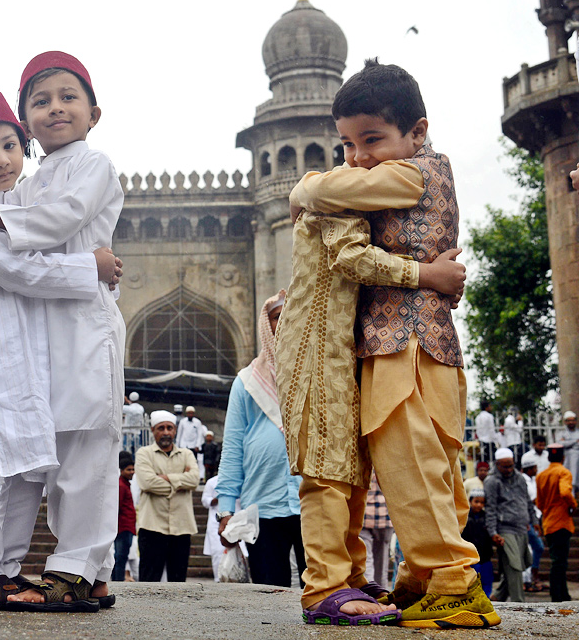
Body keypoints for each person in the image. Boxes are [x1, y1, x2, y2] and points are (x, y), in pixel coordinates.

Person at [288, 59, 496, 628]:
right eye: (347, 144)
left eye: (371, 140)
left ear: (417, 131)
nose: (357, 157)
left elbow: (331, 192)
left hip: (398, 343)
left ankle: (451, 581)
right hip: (431, 342)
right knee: (437, 468)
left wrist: (305, 184)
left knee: (411, 465)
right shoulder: (425, 174)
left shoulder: (407, 175)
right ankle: (422, 581)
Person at [0, 51, 125, 609]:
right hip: (43, 337)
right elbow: (14, 256)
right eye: (40, 101)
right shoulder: (25, 184)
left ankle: (74, 568)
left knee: (89, 448)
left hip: (84, 327)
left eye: (69, 97)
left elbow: (60, 219)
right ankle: (82, 571)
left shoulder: (93, 166)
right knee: (60, 455)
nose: (55, 108)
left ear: (95, 112)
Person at [217, 293, 304, 588]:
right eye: (278, 316)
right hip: (263, 505)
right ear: (266, 324)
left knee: (322, 590)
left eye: (291, 314)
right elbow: (232, 448)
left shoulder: (318, 372)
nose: (285, 322)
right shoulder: (246, 382)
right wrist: (227, 509)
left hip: (314, 499)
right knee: (270, 594)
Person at [135, 410, 199, 582]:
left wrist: (166, 478)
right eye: (161, 428)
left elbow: (194, 480)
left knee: (178, 582)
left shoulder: (187, 454)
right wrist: (180, 483)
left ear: (175, 430)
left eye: (169, 428)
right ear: (153, 430)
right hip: (152, 527)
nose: (165, 432)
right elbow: (147, 483)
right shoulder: (144, 453)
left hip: (182, 527)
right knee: (149, 582)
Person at [484, 448, 535, 602]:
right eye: (504, 466)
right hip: (504, 528)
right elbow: (490, 508)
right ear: (497, 464)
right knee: (514, 565)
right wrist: (493, 532)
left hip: (521, 526)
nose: (509, 469)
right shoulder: (491, 481)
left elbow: (526, 500)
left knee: (524, 562)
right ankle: (519, 602)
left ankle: (498, 596)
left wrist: (533, 521)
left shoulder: (519, 478)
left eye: (511, 466)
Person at [536, 444, 576, 602]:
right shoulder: (564, 472)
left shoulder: (541, 475)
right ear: (563, 457)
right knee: (560, 562)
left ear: (548, 458)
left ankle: (563, 594)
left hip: (548, 522)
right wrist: (573, 505)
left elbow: (539, 503)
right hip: (562, 522)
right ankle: (557, 595)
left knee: (558, 559)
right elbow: (565, 492)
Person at [360, 474, 394, 591]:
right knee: (382, 562)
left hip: (363, 514)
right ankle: (382, 595)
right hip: (386, 515)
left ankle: (370, 594)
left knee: (365, 559)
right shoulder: (389, 459)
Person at [462, 489, 494, 597]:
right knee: (472, 582)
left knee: (486, 580)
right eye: (476, 502)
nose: (479, 505)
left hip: (485, 556)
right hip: (471, 557)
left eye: (482, 502)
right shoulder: (464, 517)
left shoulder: (487, 518)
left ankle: (486, 600)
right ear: (470, 501)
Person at [519, 452, 544, 593]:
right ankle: (528, 580)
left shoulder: (534, 480)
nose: (536, 470)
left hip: (536, 517)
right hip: (527, 519)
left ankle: (531, 578)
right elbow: (529, 501)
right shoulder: (523, 481)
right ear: (529, 468)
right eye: (534, 467)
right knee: (531, 548)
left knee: (536, 548)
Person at [113, 451, 135, 582]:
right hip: (123, 527)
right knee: (120, 556)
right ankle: (118, 581)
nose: (132, 472)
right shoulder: (121, 486)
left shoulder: (125, 484)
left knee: (122, 556)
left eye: (133, 469)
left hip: (127, 526)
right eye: (129, 470)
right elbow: (118, 507)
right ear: (121, 470)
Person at [559, 411, 579, 497]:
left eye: (573, 420)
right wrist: (575, 441)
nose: (571, 422)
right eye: (568, 420)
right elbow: (561, 444)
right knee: (571, 480)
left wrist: (568, 442)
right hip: (568, 459)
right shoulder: (562, 433)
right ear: (565, 422)